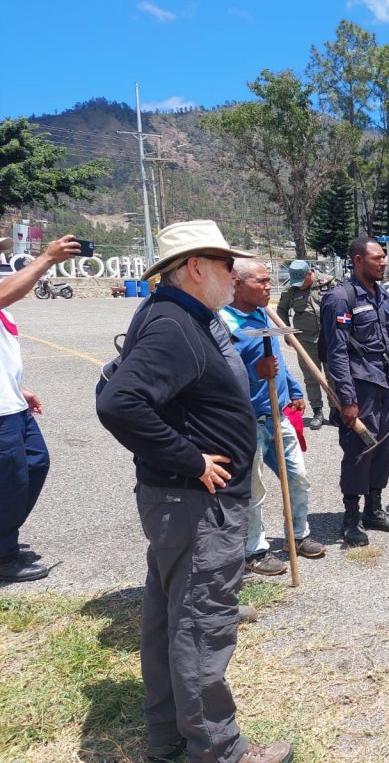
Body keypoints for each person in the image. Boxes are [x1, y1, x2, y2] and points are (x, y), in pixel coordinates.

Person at [96, 220, 292, 763]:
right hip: (195, 504)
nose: (235, 274)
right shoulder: (173, 325)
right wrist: (191, 459)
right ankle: (219, 750)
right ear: (196, 268)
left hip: (179, 504)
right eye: (227, 265)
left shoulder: (180, 315)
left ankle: (167, 735)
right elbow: (119, 402)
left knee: (168, 619)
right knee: (202, 625)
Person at [221, 259, 326, 576]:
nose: (269, 287)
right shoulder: (223, 322)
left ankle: (299, 534)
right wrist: (255, 373)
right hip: (246, 420)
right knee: (253, 489)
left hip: (277, 414)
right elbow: (222, 372)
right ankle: (254, 550)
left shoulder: (263, 313)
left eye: (270, 281)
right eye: (262, 281)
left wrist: (294, 387)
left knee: (298, 476)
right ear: (237, 283)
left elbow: (276, 357)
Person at [320, 237, 389, 546]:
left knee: (384, 447)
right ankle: (350, 518)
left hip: (386, 384)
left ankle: (374, 508)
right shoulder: (340, 298)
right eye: (377, 258)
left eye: (384, 257)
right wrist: (346, 399)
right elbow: (337, 353)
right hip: (360, 386)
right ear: (358, 260)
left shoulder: (384, 297)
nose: (383, 262)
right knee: (359, 451)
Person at [0, 234, 80, 582]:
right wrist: (47, 258)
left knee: (34, 465)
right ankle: (3, 555)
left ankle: (5, 540)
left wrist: (20, 387)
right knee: (10, 480)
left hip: (11, 404)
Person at [276, 259, 327, 430]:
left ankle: (336, 410)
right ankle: (318, 411)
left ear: (310, 273)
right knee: (311, 378)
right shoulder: (291, 290)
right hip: (304, 340)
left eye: (302, 281)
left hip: (329, 339)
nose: (299, 285)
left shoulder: (328, 283)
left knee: (334, 375)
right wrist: (287, 332)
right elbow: (281, 310)